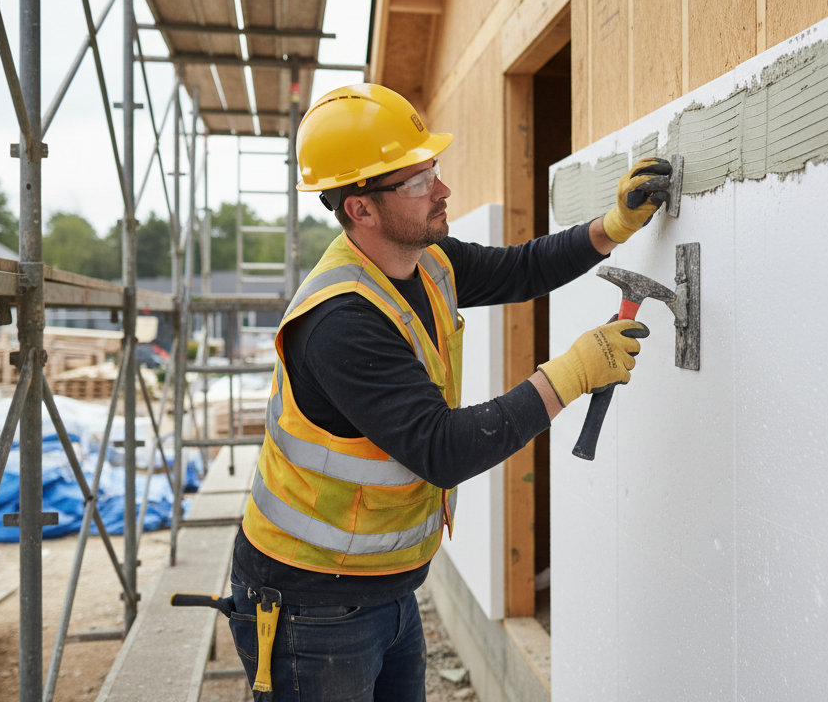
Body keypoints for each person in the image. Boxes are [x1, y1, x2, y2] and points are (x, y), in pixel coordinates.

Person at [227, 83, 670, 701]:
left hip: (387, 585)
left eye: (432, 169)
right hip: (310, 603)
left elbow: (520, 268)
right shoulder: (340, 322)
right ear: (361, 209)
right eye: (417, 180)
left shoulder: (425, 261)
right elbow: (441, 448)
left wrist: (611, 227)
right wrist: (570, 373)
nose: (442, 189)